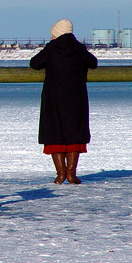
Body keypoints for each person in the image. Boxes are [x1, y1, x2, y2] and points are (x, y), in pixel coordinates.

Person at [29, 19, 98, 184]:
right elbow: (93, 63)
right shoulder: (79, 48)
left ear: (58, 33)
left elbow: (34, 64)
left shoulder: (52, 48)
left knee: (55, 132)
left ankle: (60, 174)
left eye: (53, 33)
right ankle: (71, 174)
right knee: (74, 132)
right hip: (76, 97)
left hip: (54, 97)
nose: (51, 36)